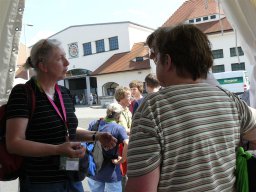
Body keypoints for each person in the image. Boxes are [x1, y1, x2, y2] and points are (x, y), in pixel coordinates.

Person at [126, 24, 256, 192]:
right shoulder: (229, 100)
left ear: (167, 61)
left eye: (155, 58)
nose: (154, 63)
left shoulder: (152, 109)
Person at [5, 39, 117, 192]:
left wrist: (96, 135)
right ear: (43, 65)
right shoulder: (23, 93)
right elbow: (14, 143)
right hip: (41, 183)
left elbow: (67, 131)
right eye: (60, 58)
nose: (67, 62)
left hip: (72, 178)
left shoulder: (64, 93)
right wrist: (58, 150)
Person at [87, 103, 129, 192]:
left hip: (94, 170)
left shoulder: (94, 124)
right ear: (119, 115)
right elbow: (127, 143)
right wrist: (123, 160)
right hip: (112, 172)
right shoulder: (118, 128)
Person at [114, 86, 132, 192]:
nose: (131, 99)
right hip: (120, 146)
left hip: (127, 144)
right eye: (128, 96)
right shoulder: (117, 111)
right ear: (121, 98)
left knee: (127, 172)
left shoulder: (127, 110)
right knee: (122, 172)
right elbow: (123, 130)